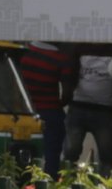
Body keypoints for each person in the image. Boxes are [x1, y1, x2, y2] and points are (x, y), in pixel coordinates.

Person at [15, 40, 76, 171]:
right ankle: (49, 179)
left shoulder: (23, 53)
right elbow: (66, 94)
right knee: (52, 154)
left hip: (25, 111)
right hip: (51, 112)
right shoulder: (61, 59)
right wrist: (58, 103)